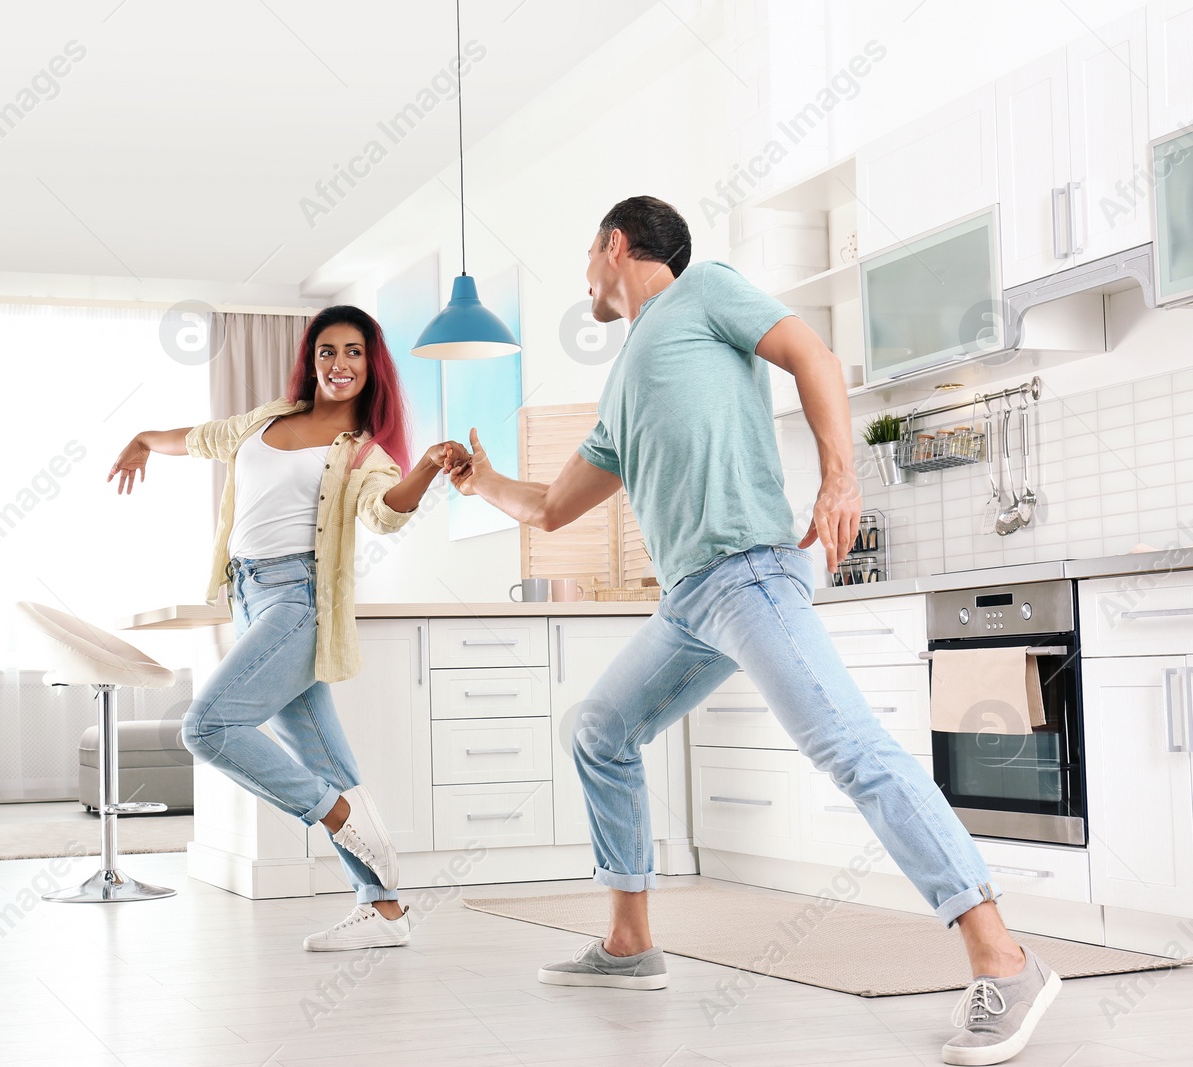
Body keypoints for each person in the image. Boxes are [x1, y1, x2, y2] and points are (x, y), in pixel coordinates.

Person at [447, 197, 1059, 1067]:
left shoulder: (704, 295)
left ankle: (1006, 957)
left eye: (589, 250)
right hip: (689, 600)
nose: (585, 269)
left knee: (850, 747)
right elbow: (549, 508)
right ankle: (629, 945)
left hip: (748, 572)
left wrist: (841, 480)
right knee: (599, 728)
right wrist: (482, 481)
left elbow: (813, 353)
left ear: (616, 244)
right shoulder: (623, 382)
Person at [108, 304, 468, 952]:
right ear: (312, 359)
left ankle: (334, 814)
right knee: (326, 757)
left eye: (354, 352)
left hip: (299, 601)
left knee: (207, 726)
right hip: (245, 596)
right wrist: (144, 438)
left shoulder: (363, 450)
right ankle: (384, 910)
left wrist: (429, 466)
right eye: (328, 350)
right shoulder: (269, 418)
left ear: (371, 364)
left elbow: (385, 512)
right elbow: (205, 438)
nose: (339, 363)